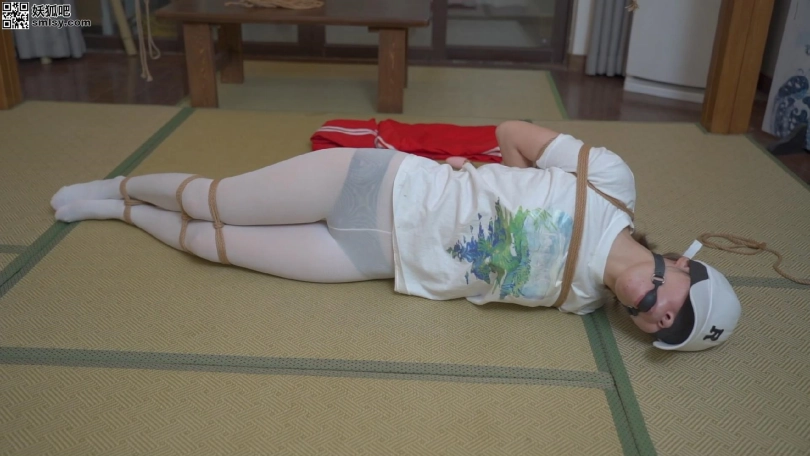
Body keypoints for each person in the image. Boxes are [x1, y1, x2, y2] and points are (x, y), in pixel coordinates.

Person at [50, 121, 742, 352]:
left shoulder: (583, 303)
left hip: (370, 258)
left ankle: (121, 214)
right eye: (681, 308)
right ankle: (120, 186)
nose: (661, 318)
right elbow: (511, 133)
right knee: (215, 201)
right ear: (684, 265)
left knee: (211, 245)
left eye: (667, 330)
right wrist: (497, 178)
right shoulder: (612, 181)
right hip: (376, 183)